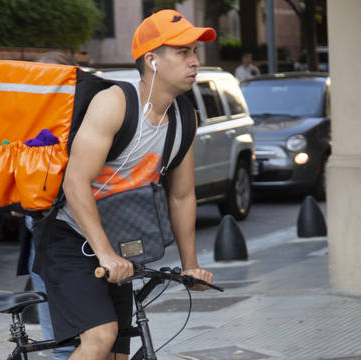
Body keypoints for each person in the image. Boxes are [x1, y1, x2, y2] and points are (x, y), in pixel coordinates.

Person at [41, 9, 216, 360]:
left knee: (120, 353)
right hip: (71, 239)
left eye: (194, 52)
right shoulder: (115, 104)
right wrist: (104, 253)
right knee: (101, 338)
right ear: (152, 60)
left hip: (119, 245)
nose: (194, 61)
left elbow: (181, 195)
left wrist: (190, 264)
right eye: (183, 52)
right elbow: (76, 182)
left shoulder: (185, 118)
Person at [15, 50, 79, 360]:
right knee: (59, 339)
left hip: (81, 238)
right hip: (43, 238)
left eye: (55, 78)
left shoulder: (82, 119)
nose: (47, 86)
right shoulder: (24, 121)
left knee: (98, 335)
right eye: (40, 79)